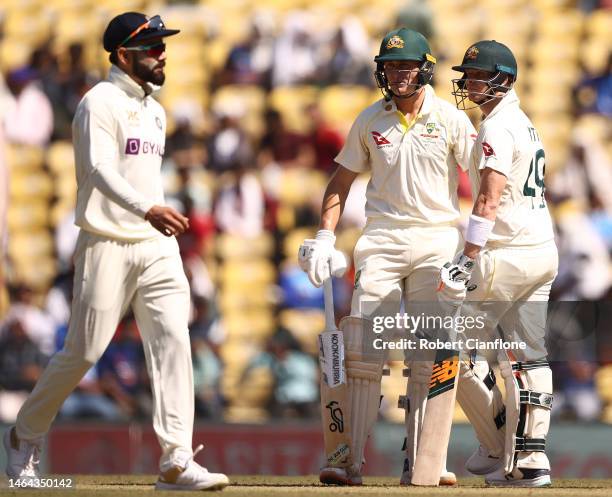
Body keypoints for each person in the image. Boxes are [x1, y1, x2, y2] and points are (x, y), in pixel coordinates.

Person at [2, 12, 229, 491]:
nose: (162, 53)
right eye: (151, 47)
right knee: (82, 352)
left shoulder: (155, 109)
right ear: (124, 55)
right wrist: (148, 208)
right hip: (106, 240)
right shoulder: (98, 103)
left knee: (173, 338)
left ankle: (176, 460)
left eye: (162, 46)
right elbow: (100, 172)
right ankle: (24, 435)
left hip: (155, 246)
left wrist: (153, 215)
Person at [298, 28, 475, 486]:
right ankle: (347, 460)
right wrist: (324, 236)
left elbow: (486, 174)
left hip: (437, 239)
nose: (397, 74)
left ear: (425, 68)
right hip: (382, 240)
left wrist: (483, 240)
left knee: (427, 352)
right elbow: (340, 183)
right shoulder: (370, 119)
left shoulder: (451, 119)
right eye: (391, 66)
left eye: (406, 66)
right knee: (361, 347)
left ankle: (425, 459)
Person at [439, 40, 559, 487]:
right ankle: (530, 460)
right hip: (542, 250)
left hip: (505, 255)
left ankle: (494, 442)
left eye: (478, 76)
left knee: (449, 343)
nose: (469, 83)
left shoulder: (496, 128)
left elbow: (487, 202)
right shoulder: (523, 123)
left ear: (504, 80)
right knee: (530, 357)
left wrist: (465, 260)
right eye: (467, 76)